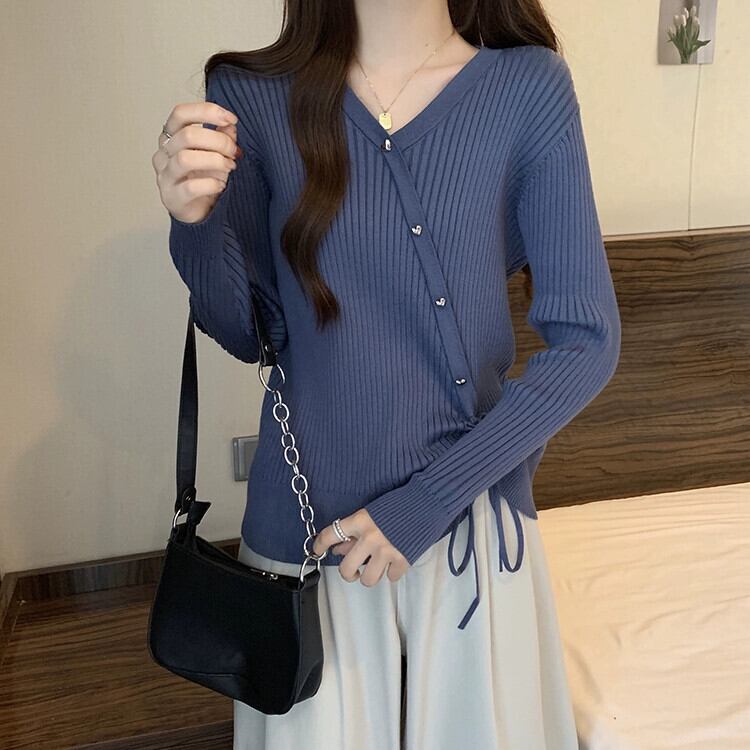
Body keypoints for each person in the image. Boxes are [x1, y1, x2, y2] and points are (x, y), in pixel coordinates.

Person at [152, 1, 621, 747]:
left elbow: (587, 340)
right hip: (307, 542)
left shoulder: (527, 88)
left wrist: (424, 504)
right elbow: (247, 334)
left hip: (467, 531)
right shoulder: (251, 96)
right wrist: (194, 223)